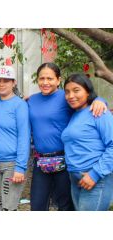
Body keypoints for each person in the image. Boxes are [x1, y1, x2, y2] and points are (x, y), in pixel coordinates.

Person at [27, 62, 107, 211]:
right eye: (41, 78)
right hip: (41, 161)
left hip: (65, 161)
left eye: (50, 78)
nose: (45, 82)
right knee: (37, 206)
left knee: (65, 206)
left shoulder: (66, 98)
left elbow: (87, 100)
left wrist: (100, 100)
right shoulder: (31, 100)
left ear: (58, 80)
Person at [61, 73, 113, 211]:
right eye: (67, 92)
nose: (71, 96)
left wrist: (94, 174)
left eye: (76, 90)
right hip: (76, 179)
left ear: (88, 91)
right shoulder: (75, 114)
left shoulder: (99, 112)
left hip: (95, 178)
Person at [0, 66, 30, 211]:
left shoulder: (20, 105)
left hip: (11, 164)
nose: (2, 84)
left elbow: (24, 137)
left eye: (6, 80)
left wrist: (20, 168)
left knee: (9, 207)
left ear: (13, 83)